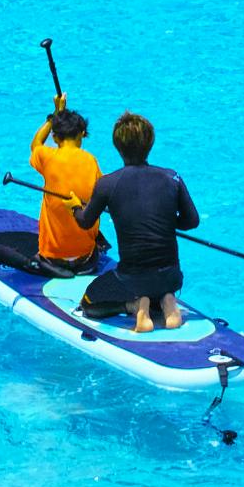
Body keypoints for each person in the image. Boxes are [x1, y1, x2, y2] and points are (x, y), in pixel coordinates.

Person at [80, 112, 199, 330]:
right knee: (158, 283)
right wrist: (167, 222)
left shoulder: (107, 184)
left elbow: (85, 222)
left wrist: (74, 209)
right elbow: (192, 221)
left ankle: (136, 306)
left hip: (133, 279)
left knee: (88, 303)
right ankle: (167, 301)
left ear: (117, 146)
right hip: (172, 277)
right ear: (150, 143)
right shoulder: (172, 177)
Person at [28, 103, 105, 270]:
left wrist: (53, 116)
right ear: (82, 134)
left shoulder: (47, 157)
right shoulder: (91, 161)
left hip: (52, 259)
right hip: (85, 260)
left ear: (55, 138)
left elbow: (36, 144)